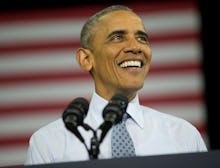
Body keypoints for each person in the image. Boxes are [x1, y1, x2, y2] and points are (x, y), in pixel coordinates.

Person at [24, 4, 207, 165]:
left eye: (142, 38)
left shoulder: (184, 136)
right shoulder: (48, 143)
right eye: (118, 37)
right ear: (86, 59)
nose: (135, 47)